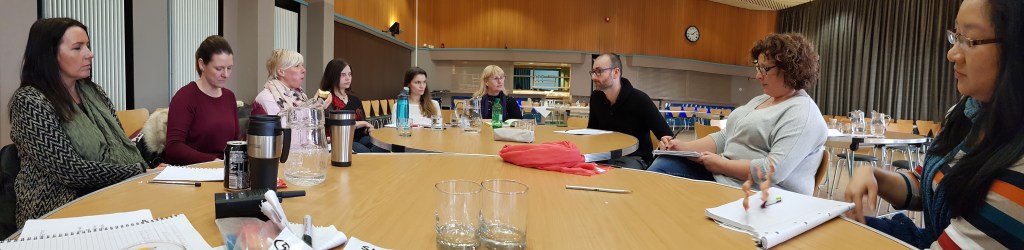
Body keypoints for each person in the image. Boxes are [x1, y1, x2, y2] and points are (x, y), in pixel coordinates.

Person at [845, 0, 1024, 248]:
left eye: (969, 39)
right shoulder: (965, 112)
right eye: (956, 35)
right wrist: (874, 175)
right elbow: (930, 183)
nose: (952, 54)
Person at [10, 18, 154, 227]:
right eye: (77, 48)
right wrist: (138, 170)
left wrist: (148, 170)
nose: (89, 54)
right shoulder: (30, 101)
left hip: (111, 193)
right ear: (49, 55)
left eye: (87, 46)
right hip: (56, 210)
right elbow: (70, 171)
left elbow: (121, 143)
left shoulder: (93, 92)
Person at [648, 33, 827, 196]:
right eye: (758, 67)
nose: (758, 75)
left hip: (760, 194)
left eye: (765, 69)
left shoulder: (802, 114)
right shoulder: (763, 99)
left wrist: (722, 165)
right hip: (726, 177)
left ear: (790, 69)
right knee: (664, 164)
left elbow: (772, 171)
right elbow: (726, 137)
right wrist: (684, 147)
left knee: (662, 180)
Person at [587, 53, 673, 170]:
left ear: (616, 72)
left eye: (599, 71)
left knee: (616, 178)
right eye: (593, 72)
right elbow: (591, 131)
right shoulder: (595, 98)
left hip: (635, 158)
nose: (593, 77)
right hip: (604, 155)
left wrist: (666, 142)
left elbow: (666, 135)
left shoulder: (640, 99)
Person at [165, 35, 240, 165]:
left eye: (229, 68)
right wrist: (213, 162)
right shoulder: (185, 97)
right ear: (202, 65)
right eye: (219, 68)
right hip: (195, 172)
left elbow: (234, 142)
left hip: (224, 169)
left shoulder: (229, 97)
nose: (226, 74)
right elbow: (174, 148)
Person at [319, 59, 385, 153]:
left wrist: (369, 129)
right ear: (332, 76)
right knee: (367, 153)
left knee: (384, 145)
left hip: (359, 138)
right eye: (343, 75)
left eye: (349, 74)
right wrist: (364, 123)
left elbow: (363, 129)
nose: (348, 78)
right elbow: (340, 126)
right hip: (340, 140)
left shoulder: (355, 99)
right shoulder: (327, 99)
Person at [252, 49, 309, 116]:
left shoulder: (299, 94)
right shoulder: (267, 97)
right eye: (297, 66)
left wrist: (316, 106)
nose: (303, 70)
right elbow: (283, 126)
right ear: (281, 72)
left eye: (302, 65)